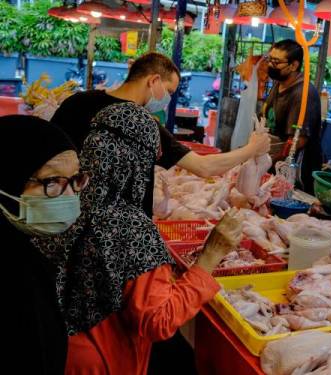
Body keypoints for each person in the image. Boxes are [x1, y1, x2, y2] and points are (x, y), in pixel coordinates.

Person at [35, 102, 238, 374]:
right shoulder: (129, 227)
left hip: (56, 349)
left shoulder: (62, 200)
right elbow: (158, 320)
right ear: (138, 161)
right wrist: (211, 256)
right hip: (104, 360)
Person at [51, 52, 270, 216]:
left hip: (67, 212)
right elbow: (205, 167)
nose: (168, 99)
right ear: (153, 80)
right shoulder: (142, 123)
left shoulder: (78, 101)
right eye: (169, 91)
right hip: (122, 231)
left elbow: (50, 154)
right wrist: (252, 148)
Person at [0, 115, 88, 374]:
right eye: (51, 182)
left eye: (75, 180)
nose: (71, 197)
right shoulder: (12, 276)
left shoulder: (22, 252)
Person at [263, 39, 323, 195]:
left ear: (294, 65)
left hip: (296, 170)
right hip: (273, 160)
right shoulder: (279, 83)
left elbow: (298, 141)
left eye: (276, 62)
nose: (270, 65)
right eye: (270, 60)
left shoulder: (303, 94)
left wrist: (269, 161)